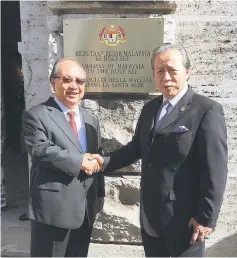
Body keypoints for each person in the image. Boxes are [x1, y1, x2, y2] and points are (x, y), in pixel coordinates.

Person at [91, 43, 228, 257]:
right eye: (160, 71)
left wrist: (206, 217)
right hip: (151, 219)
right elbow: (136, 148)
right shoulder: (150, 109)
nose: (166, 77)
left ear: (187, 71)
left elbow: (215, 170)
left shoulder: (206, 110)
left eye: (172, 70)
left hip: (186, 221)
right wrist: (102, 162)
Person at [22, 57, 104, 257]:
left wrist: (99, 194)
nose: (74, 86)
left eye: (80, 81)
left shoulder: (90, 119)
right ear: (53, 83)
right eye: (67, 80)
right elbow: (41, 150)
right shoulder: (36, 115)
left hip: (84, 209)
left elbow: (97, 155)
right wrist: (79, 162)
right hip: (53, 210)